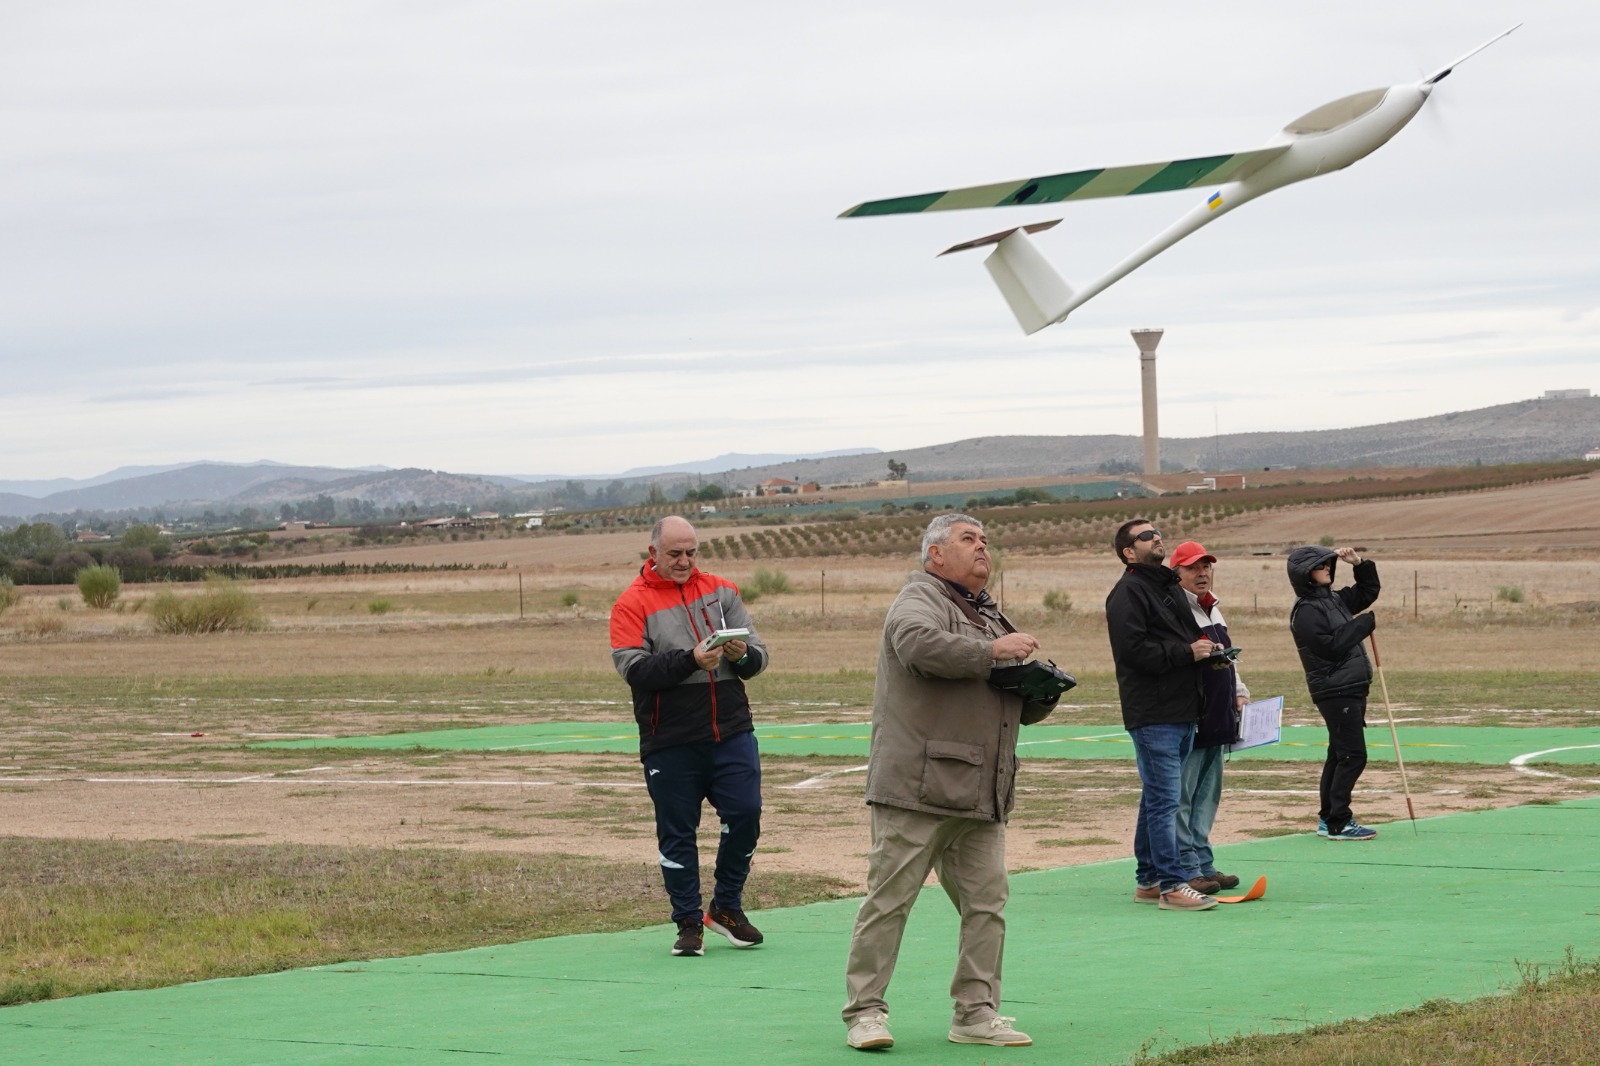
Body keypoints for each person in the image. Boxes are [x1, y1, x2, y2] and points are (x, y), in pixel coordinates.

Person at [842, 513, 1061, 1051]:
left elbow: (1003, 695)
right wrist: (992, 652)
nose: (982, 547)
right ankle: (865, 1014)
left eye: (985, 539)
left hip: (981, 789)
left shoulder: (986, 612)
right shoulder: (919, 598)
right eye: (968, 539)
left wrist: (1040, 691)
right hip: (917, 786)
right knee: (889, 902)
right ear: (935, 554)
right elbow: (917, 645)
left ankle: (976, 1013)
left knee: (987, 904)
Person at [609, 515, 769, 956]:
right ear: (653, 553)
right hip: (670, 739)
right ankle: (687, 923)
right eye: (675, 553)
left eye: (691, 552)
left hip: (731, 731)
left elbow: (759, 659)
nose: (684, 561)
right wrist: (690, 660)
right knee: (678, 833)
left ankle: (726, 907)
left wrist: (742, 655)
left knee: (746, 814)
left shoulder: (723, 591)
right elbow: (633, 669)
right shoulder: (630, 603)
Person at [1104, 519, 1218, 912]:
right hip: (1154, 712)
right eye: (1146, 536)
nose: (1157, 538)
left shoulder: (1166, 586)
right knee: (1166, 801)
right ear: (1128, 552)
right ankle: (1172, 885)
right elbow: (1133, 651)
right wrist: (1187, 653)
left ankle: (1149, 880)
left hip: (1182, 708)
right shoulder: (1127, 593)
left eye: (1157, 533)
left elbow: (1182, 639)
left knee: (1157, 798)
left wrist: (1206, 651)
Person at [1169, 541, 1250, 894]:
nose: (1202, 573)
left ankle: (1204, 864)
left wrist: (1240, 691)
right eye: (1193, 568)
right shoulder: (1174, 610)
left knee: (1206, 797)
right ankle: (1187, 868)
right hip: (1192, 716)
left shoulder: (1213, 608)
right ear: (1177, 573)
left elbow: (1229, 660)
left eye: (1206, 566)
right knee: (1183, 798)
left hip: (1220, 715)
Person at [1287, 544, 1381, 841]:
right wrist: (1361, 626)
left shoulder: (1334, 600)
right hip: (1334, 689)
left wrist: (1359, 564)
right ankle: (1339, 821)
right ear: (1305, 573)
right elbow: (1330, 647)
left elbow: (1368, 592)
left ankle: (1329, 819)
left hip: (1350, 686)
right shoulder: (1305, 611)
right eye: (1320, 565)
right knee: (1353, 756)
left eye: (1328, 563)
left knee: (1339, 754)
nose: (1327, 568)